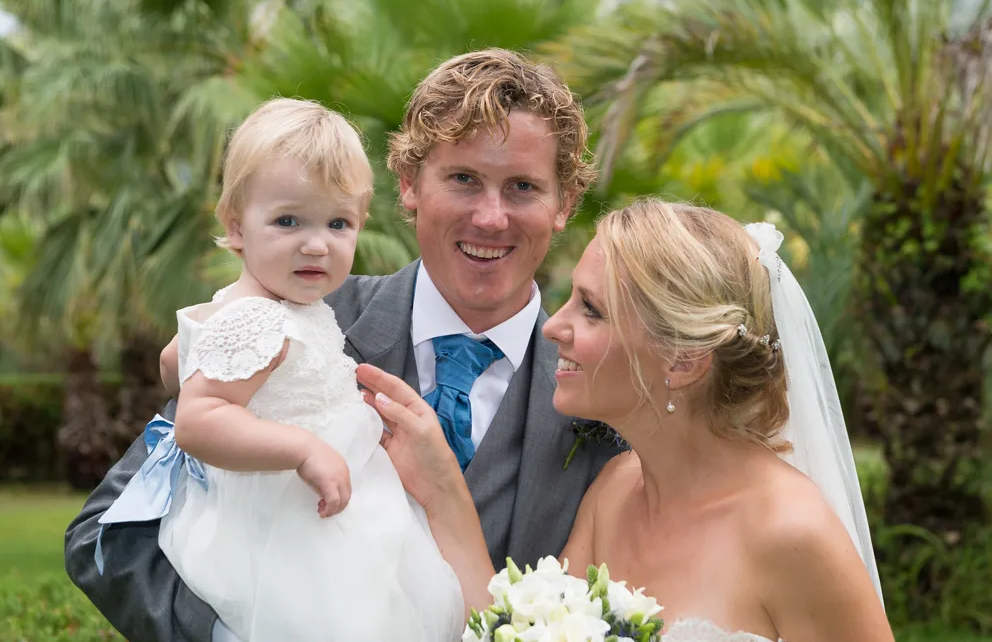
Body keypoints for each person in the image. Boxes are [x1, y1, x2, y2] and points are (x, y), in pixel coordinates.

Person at [64, 49, 621, 642]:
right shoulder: (288, 314)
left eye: (523, 187)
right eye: (463, 179)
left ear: (562, 203)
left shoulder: (607, 385)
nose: (490, 217)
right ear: (409, 185)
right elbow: (106, 532)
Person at [357, 199, 896, 642]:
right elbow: (510, 631)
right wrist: (442, 486)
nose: (553, 328)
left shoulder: (791, 534)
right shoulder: (615, 491)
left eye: (591, 309)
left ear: (683, 362)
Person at [92, 96, 464, 641]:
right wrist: (303, 448)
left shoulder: (270, 307)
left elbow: (176, 363)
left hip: (331, 502)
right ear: (237, 227)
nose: (316, 244)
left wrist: (191, 361)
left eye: (339, 223)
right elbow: (197, 421)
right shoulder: (259, 319)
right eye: (287, 221)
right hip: (287, 524)